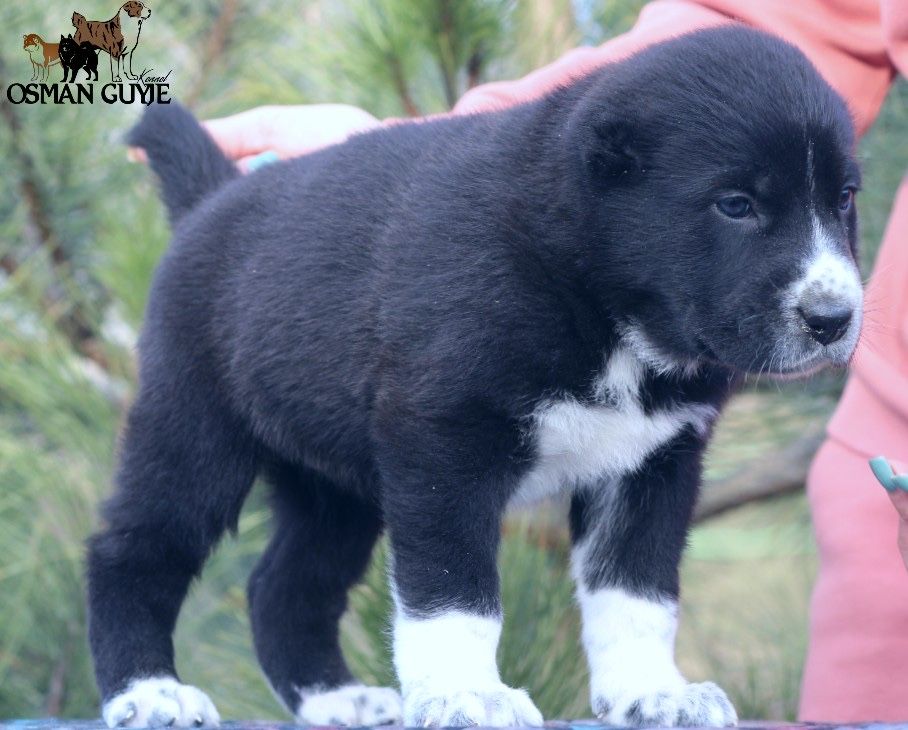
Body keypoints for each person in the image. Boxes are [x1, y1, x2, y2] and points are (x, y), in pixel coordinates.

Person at [193, 0, 908, 721]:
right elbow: (761, 41)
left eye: (843, 199)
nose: (833, 285)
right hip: (890, 499)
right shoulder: (634, 292)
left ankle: (626, 674)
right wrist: (423, 151)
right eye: (739, 208)